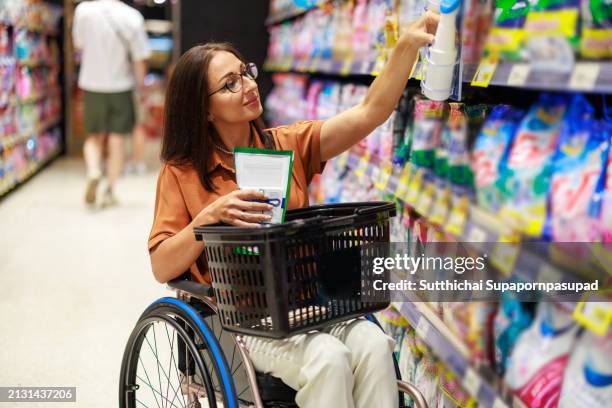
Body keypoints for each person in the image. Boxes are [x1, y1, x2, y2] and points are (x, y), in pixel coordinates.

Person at [148, 11, 438, 408]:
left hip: (311, 304)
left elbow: (369, 112)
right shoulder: (181, 174)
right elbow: (163, 266)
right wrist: (208, 218)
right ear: (204, 109)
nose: (248, 86)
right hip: (243, 323)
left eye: (245, 73)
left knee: (372, 344)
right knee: (328, 358)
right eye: (229, 84)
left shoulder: (289, 144)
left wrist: (406, 45)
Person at [72, 0, 151, 207]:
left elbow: (79, 43)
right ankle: (109, 190)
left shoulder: (83, 11)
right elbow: (140, 58)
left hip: (91, 84)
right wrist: (141, 88)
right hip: (121, 87)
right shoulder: (132, 16)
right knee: (117, 141)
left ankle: (93, 170)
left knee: (93, 137)